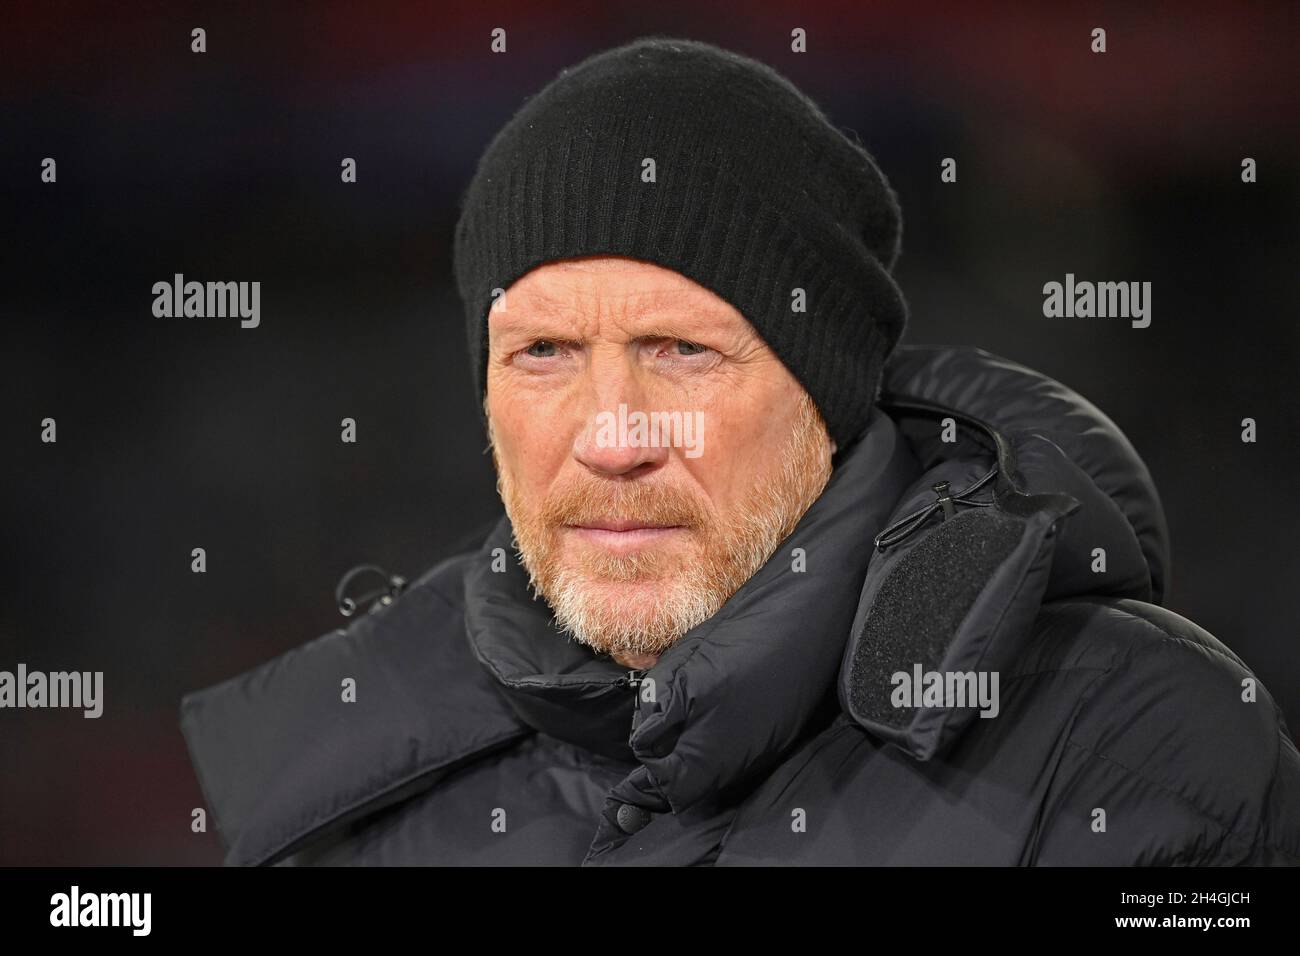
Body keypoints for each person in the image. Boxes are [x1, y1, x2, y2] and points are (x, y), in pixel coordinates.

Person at [179, 36, 1300, 866]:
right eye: (544, 353)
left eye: (681, 349)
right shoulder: (349, 801)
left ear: (828, 392)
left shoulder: (1135, 742)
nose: (612, 435)